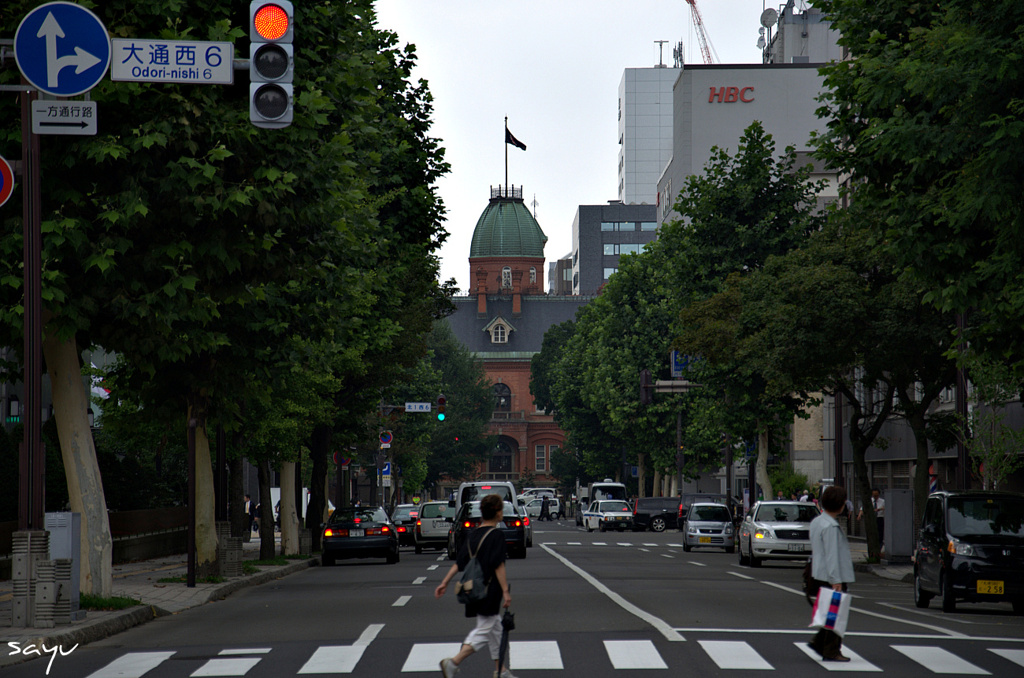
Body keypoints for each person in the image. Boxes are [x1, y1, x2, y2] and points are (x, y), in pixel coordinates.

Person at [434, 494, 516, 678]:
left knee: (496, 630)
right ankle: (453, 662)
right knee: (484, 630)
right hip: (489, 590)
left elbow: (459, 563)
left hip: (473, 589)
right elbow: (498, 565)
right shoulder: (496, 536)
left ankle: (501, 671)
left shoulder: (473, 535)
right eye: (501, 509)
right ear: (496, 512)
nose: (503, 513)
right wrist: (505, 591)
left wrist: (444, 582)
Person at [807, 485, 855, 662]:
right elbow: (832, 555)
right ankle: (831, 650)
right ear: (840, 505)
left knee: (829, 613)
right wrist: (837, 580)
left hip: (819, 573)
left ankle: (820, 643)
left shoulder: (817, 522)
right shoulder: (831, 527)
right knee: (836, 614)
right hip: (832, 576)